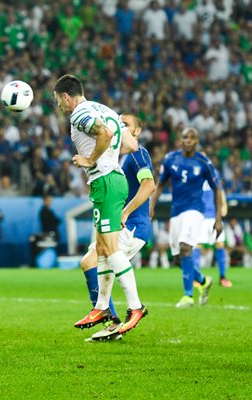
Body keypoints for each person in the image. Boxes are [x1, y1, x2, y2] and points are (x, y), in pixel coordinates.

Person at [53, 75, 147, 336]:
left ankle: (136, 306)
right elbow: (131, 144)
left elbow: (103, 134)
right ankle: (102, 306)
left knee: (110, 248)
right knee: (102, 248)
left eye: (58, 100)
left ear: (66, 97)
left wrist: (91, 160)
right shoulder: (105, 109)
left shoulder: (79, 114)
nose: (59, 106)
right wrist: (109, 156)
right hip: (111, 179)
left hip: (106, 180)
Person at [79, 114, 156, 341]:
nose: (121, 127)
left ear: (137, 132)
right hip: (121, 222)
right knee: (91, 262)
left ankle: (117, 316)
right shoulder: (121, 159)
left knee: (93, 260)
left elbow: (149, 185)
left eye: (127, 125)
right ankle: (110, 319)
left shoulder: (138, 154)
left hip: (132, 226)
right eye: (119, 123)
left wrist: (126, 211)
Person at [150, 128, 221, 308]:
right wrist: (151, 207)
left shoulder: (203, 161)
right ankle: (203, 281)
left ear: (197, 141)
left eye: (192, 138)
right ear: (180, 140)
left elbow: (217, 189)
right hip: (176, 212)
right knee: (176, 259)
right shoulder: (170, 159)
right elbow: (160, 185)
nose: (188, 140)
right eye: (185, 137)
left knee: (185, 248)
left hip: (195, 210)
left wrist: (218, 219)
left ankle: (188, 296)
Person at [193, 165, 231, 287]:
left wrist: (224, 205)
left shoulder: (214, 173)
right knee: (198, 245)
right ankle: (197, 279)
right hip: (201, 216)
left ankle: (222, 277)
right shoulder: (194, 174)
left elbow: (220, 190)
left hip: (215, 216)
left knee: (220, 245)